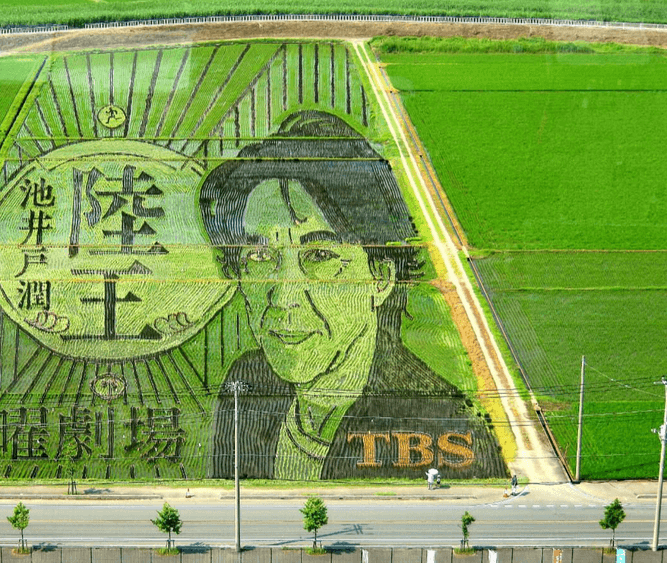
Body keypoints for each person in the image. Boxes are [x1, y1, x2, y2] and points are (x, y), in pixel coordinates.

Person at [199, 110, 505, 480]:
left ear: (380, 277)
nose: (283, 297)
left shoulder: (442, 422)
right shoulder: (246, 385)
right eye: (260, 257)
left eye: (321, 256)